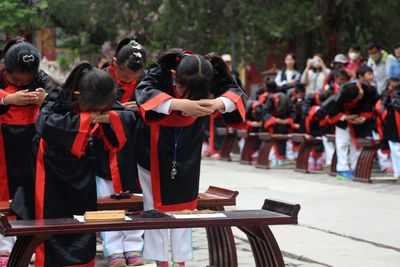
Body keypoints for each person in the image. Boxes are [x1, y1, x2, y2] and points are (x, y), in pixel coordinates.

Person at [135, 50, 246, 267]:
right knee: (153, 206)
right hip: (152, 145)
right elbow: (144, 93)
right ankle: (161, 261)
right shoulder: (161, 70)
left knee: (185, 205)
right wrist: (178, 104)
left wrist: (217, 104)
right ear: (175, 75)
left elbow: (237, 94)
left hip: (187, 144)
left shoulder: (209, 70)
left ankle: (181, 259)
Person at [33, 62, 136, 267]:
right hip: (51, 172)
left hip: (83, 169)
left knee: (84, 222)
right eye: (94, 108)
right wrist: (87, 120)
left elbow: (128, 116)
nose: (98, 111)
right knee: (53, 226)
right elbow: (45, 124)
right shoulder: (57, 97)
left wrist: (109, 117)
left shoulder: (101, 96)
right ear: (78, 95)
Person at [0, 39, 54, 265]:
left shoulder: (40, 77)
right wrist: (7, 99)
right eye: (14, 81)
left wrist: (46, 98)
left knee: (28, 192)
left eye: (26, 81)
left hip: (31, 142)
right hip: (2, 142)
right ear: (4, 67)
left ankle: (26, 243)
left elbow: (60, 96)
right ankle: (3, 248)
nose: (21, 84)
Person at [96, 38, 147, 266]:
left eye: (133, 77)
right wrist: (122, 111)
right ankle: (114, 249)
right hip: (105, 145)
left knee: (135, 196)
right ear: (115, 62)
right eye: (125, 75)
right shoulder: (99, 78)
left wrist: (137, 110)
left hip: (134, 146)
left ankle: (134, 246)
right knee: (107, 197)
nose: (129, 80)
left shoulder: (145, 82)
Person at [323, 81, 377, 180]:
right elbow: (332, 113)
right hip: (343, 120)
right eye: (358, 97)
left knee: (355, 144)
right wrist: (346, 117)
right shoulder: (339, 98)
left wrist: (363, 118)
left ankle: (355, 168)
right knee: (342, 143)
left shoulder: (368, 89)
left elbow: (369, 106)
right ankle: (342, 169)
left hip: (359, 119)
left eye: (360, 94)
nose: (361, 97)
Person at [263, 92, 296, 166]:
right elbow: (265, 113)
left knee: (282, 140)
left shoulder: (287, 100)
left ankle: (281, 158)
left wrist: (288, 120)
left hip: (284, 123)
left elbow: (292, 113)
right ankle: (273, 159)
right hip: (273, 123)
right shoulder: (271, 99)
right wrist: (274, 120)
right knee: (274, 141)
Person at [380, 83, 400, 181]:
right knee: (396, 151)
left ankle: (398, 173)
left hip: (394, 128)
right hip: (393, 128)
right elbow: (381, 110)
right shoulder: (388, 98)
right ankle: (398, 173)